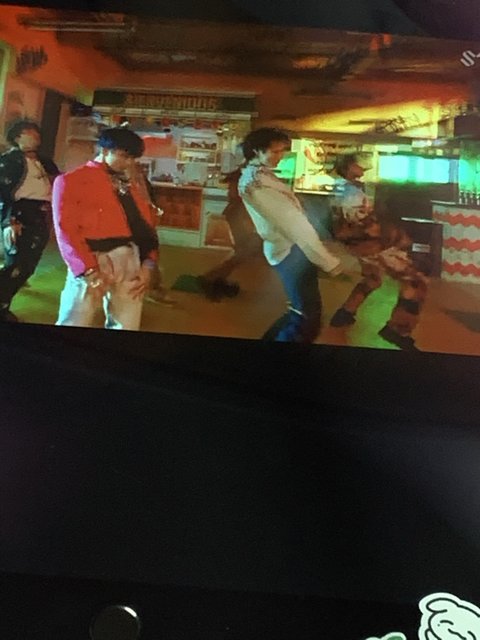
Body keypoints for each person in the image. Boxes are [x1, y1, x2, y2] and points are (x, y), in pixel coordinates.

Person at [238, 127, 342, 343]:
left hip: (288, 248)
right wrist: (327, 261)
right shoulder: (258, 182)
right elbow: (293, 224)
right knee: (305, 318)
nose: (281, 156)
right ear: (257, 151)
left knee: (301, 312)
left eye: (282, 151)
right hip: (290, 250)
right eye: (275, 151)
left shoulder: (259, 176)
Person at [52, 127, 159, 330]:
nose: (129, 163)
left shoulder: (131, 185)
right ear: (105, 150)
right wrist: (87, 270)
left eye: (133, 158)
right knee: (74, 321)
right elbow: (65, 230)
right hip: (91, 257)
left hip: (129, 257)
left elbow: (146, 227)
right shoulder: (70, 180)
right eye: (124, 156)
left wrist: (148, 263)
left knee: (127, 325)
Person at [329, 153, 428, 351]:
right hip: (374, 246)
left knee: (373, 278)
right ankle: (397, 330)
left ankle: (345, 313)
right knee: (415, 282)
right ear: (349, 167)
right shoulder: (353, 194)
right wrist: (398, 238)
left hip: (360, 246)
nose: (364, 167)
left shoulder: (341, 189)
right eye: (359, 164)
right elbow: (370, 228)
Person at [0, 119, 60, 321]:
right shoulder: (9, 161)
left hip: (40, 214)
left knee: (29, 264)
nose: (36, 137)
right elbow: (3, 193)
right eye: (30, 133)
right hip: (19, 214)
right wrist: (9, 221)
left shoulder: (44, 162)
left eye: (37, 133)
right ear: (17, 137)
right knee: (16, 265)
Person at [197, 167, 264, 301]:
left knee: (241, 253)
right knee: (242, 252)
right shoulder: (245, 176)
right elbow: (235, 196)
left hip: (238, 214)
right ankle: (211, 278)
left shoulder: (244, 174)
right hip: (239, 215)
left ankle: (214, 278)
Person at [128, 160, 176, 306]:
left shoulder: (134, 175)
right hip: (134, 224)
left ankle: (153, 288)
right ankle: (153, 288)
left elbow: (146, 199)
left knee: (149, 254)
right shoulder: (126, 175)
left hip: (142, 222)